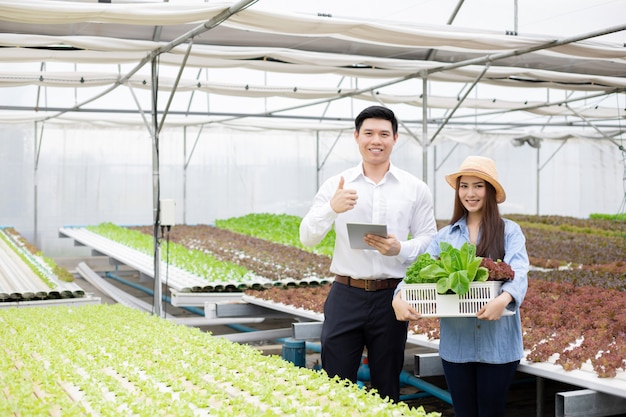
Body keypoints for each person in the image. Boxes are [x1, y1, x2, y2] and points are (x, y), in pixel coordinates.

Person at [299, 105, 437, 402]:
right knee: (336, 383)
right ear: (356, 136)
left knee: (387, 386)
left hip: (391, 298)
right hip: (346, 293)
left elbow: (430, 241)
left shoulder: (415, 188)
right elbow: (307, 236)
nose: (376, 140)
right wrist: (331, 208)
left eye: (384, 134)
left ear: (395, 138)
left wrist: (400, 248)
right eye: (369, 133)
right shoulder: (337, 185)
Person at [392, 155, 529, 417]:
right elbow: (416, 272)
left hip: (498, 346)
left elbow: (519, 272)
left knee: (491, 412)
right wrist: (398, 296)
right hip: (457, 346)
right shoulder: (445, 236)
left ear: (490, 190)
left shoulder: (509, 231)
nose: (470, 193)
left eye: (478, 185)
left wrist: (503, 299)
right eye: (464, 186)